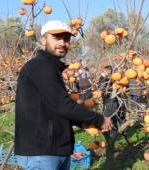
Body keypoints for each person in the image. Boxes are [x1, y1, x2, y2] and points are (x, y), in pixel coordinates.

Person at [15, 20, 111, 170]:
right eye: (56, 37)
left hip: (51, 149)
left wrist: (83, 122)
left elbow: (53, 107)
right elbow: (63, 105)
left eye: (66, 39)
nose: (62, 42)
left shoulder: (49, 67)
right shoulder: (41, 67)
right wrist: (98, 119)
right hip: (42, 151)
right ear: (43, 40)